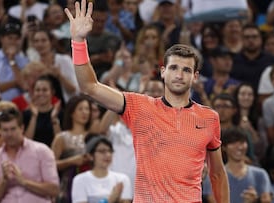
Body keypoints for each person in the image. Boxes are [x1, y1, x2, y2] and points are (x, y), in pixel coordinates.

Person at [64, 0, 229, 202]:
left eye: (186, 70)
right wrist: (78, 41)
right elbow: (89, 86)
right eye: (174, 68)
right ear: (162, 72)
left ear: (195, 76)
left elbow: (218, 174)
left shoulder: (209, 118)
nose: (179, 75)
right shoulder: (139, 106)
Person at [0, 102, 59, 203]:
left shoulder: (42, 151)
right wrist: (4, 180)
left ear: (22, 128)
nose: (9, 134)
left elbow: (54, 190)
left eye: (13, 129)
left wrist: (24, 181)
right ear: (0, 131)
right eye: (5, 130)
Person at [51, 95, 93, 203]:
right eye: (80, 109)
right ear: (71, 112)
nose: (85, 112)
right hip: (68, 186)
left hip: (92, 186)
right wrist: (71, 161)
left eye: (87, 109)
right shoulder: (61, 137)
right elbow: (51, 164)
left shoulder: (94, 136)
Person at [72, 135, 132, 203]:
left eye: (110, 151)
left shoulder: (122, 179)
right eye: (102, 151)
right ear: (90, 156)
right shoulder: (80, 180)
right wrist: (109, 200)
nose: (108, 155)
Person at [221, 127, 273, 203]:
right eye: (233, 143)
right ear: (224, 147)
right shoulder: (217, 176)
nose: (239, 147)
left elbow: (267, 200)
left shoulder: (260, 174)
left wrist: (256, 201)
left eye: (242, 142)